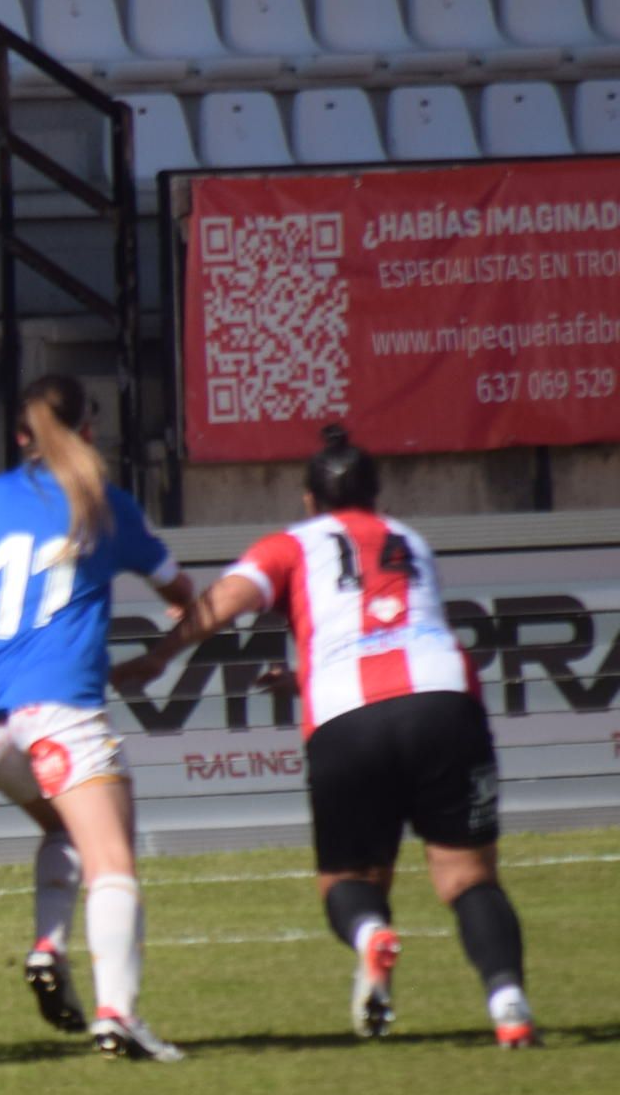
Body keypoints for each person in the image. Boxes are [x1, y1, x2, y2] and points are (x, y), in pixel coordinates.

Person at [114, 427, 537, 1047]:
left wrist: (159, 657)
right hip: (446, 702)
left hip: (348, 715)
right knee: (468, 877)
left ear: (309, 499)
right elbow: (387, 627)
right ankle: (509, 1003)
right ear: (376, 493)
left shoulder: (291, 543)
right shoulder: (410, 540)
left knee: (349, 881)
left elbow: (228, 599)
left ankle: (372, 939)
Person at [0, 374, 198, 1062]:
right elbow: (185, 597)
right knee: (113, 856)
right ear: (90, 429)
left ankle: (48, 947)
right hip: (58, 709)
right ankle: (118, 1015)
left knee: (64, 829)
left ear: (20, 436)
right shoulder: (105, 504)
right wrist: (159, 657)